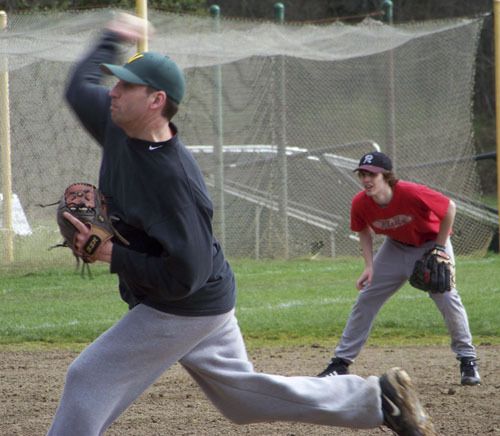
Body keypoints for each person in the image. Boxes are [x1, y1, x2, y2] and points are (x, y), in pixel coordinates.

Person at [47, 13, 437, 436]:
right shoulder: (118, 124)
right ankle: (379, 400)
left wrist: (111, 254)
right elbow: (76, 87)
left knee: (87, 379)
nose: (114, 92)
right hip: (204, 296)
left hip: (182, 305)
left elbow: (185, 276)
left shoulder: (173, 182)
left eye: (125, 85)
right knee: (242, 400)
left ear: (156, 101)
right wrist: (111, 37)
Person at [317, 151, 481, 387]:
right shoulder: (360, 202)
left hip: (430, 245)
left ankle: (467, 359)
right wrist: (369, 266)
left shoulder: (410, 192)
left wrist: (439, 248)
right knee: (366, 299)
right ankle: (340, 363)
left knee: (446, 296)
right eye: (363, 174)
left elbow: (449, 208)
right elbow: (362, 230)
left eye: (372, 174)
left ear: (386, 176)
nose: (366, 180)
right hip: (395, 248)